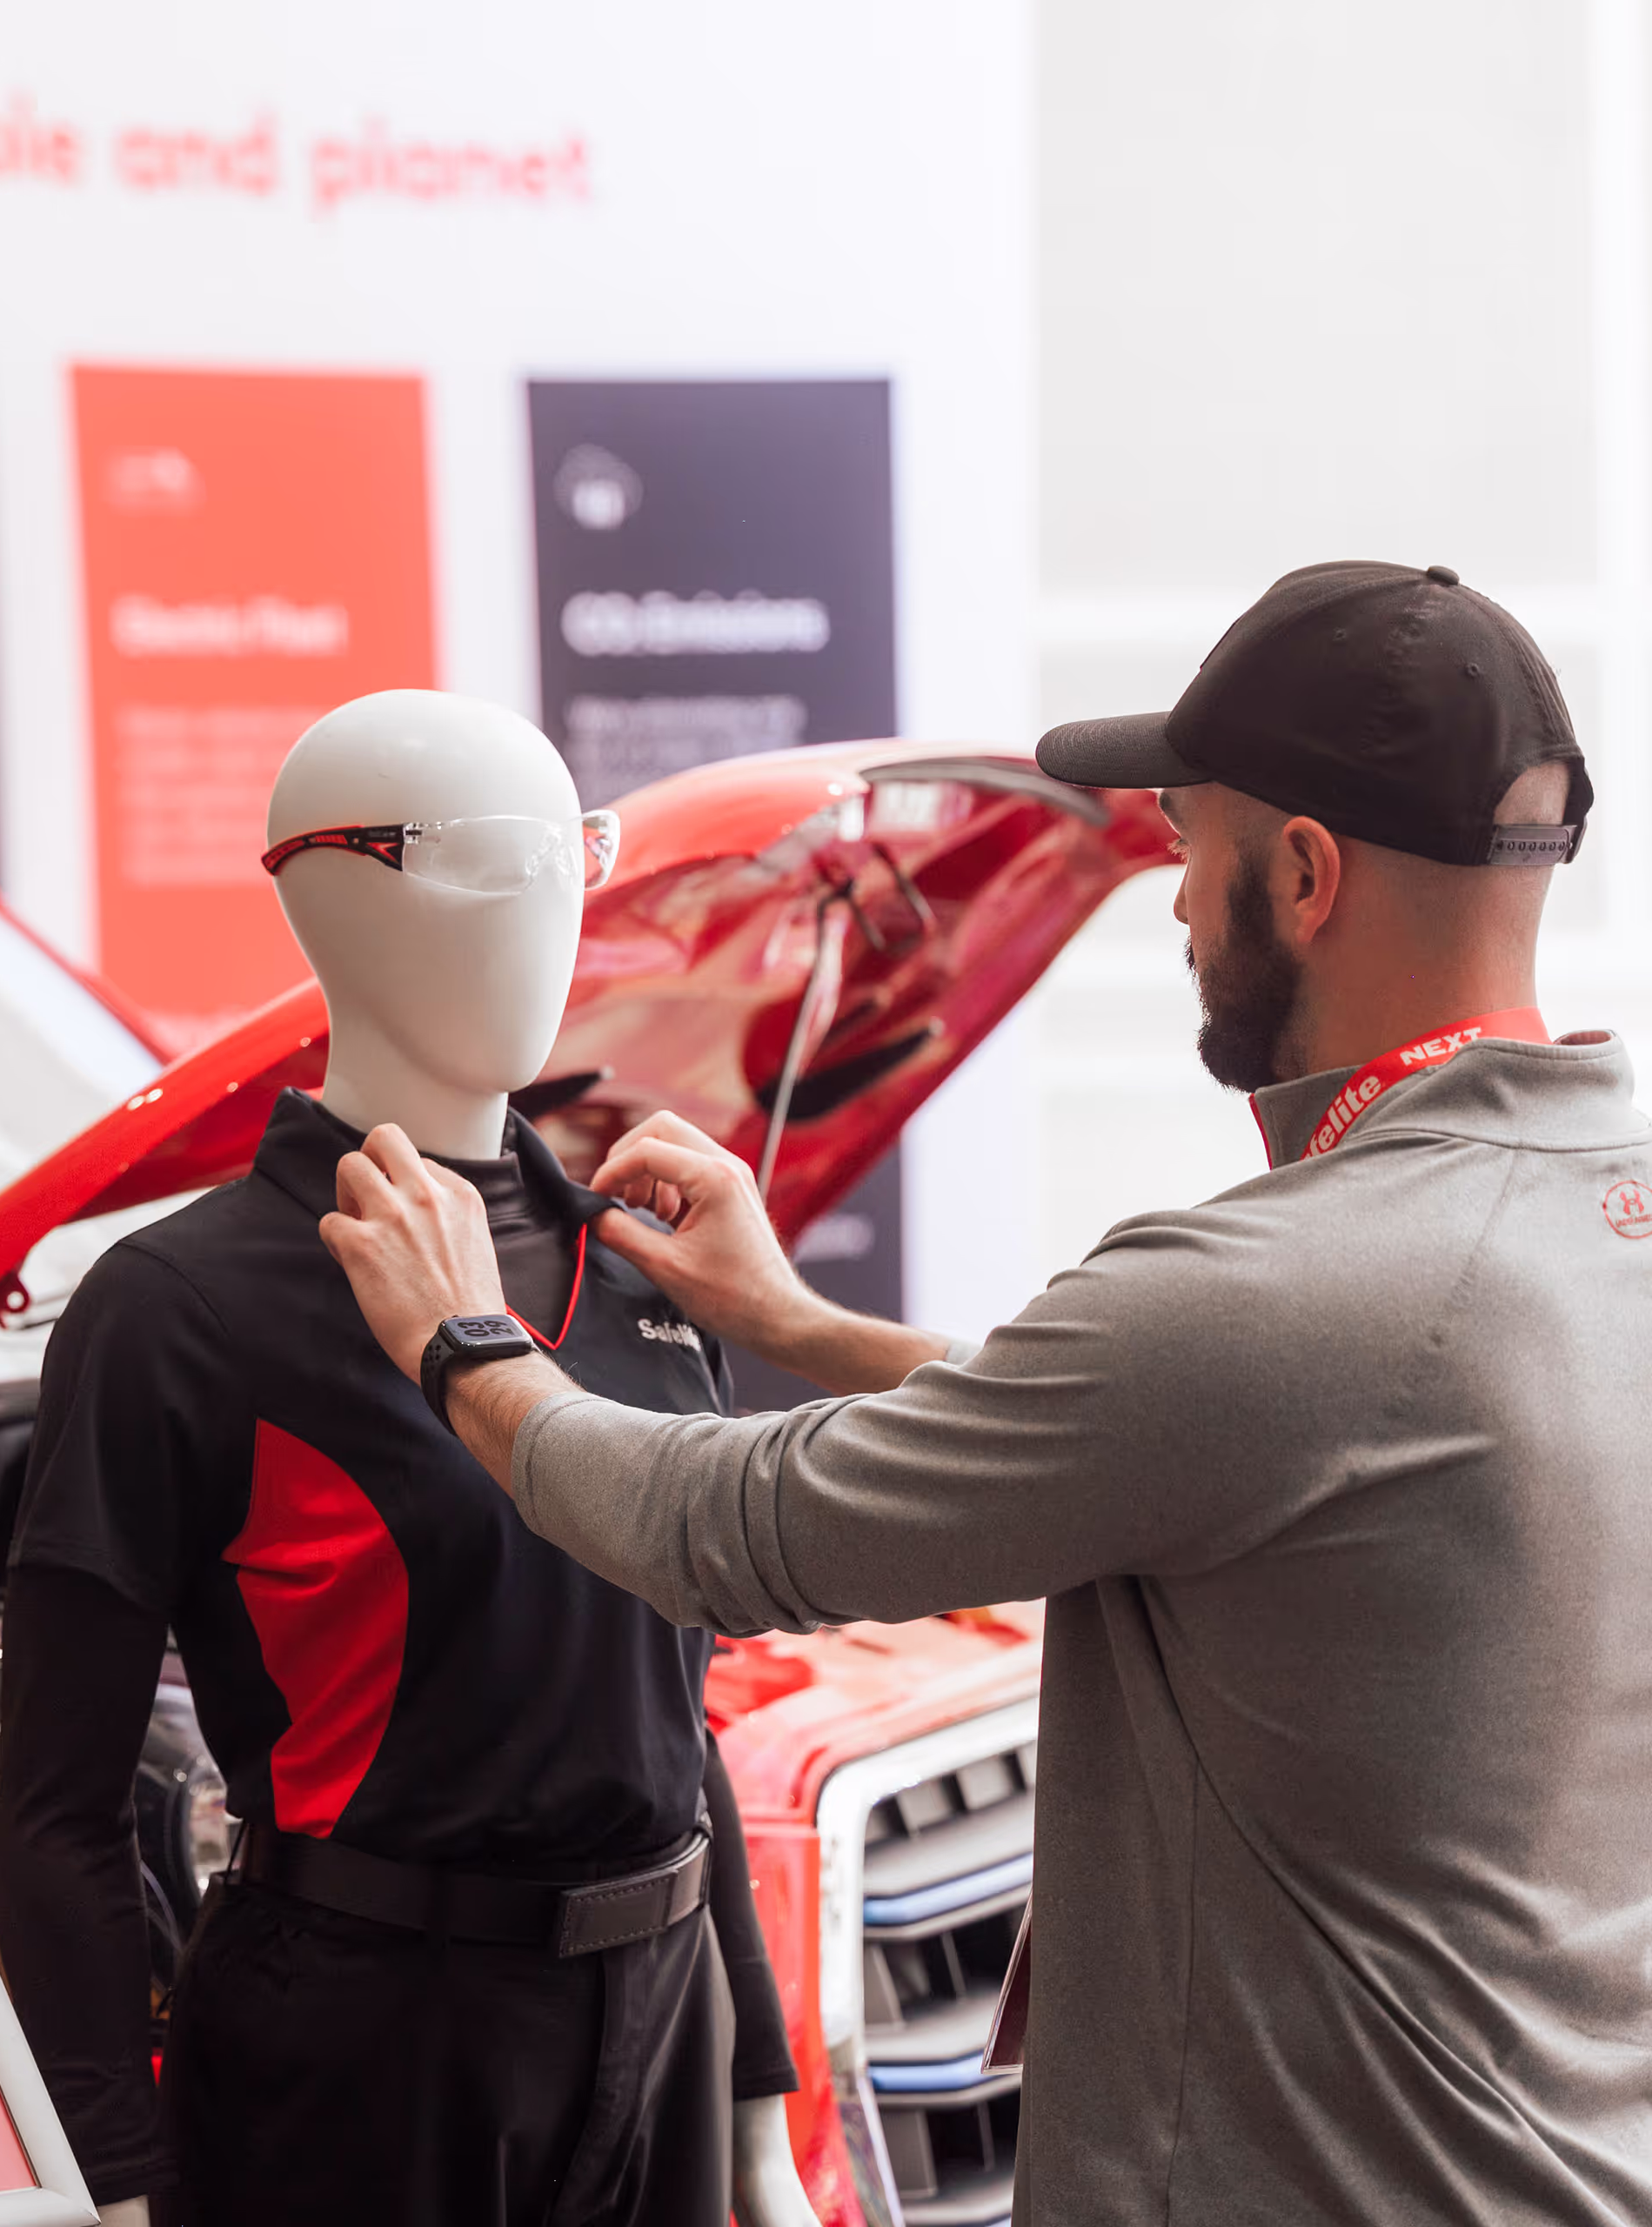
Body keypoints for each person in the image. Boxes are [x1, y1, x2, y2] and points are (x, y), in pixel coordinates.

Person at [316, 560, 1652, 2225]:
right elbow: (1205, 1445)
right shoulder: (1592, 1220)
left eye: (1188, 847)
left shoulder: (1292, 1291)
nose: (1174, 910)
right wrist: (793, 1320)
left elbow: (736, 1531)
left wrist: (467, 1347)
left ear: (1306, 874)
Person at [0, 693, 813, 2227]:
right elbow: (60, 1805)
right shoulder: (182, 1310)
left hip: (661, 2027)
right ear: (327, 886)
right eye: (498, 858)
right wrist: (114, 2179)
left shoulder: (647, 1266)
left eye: (572, 853)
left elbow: (671, 1720)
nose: (555, 902)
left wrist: (756, 2109)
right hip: (364, 2055)